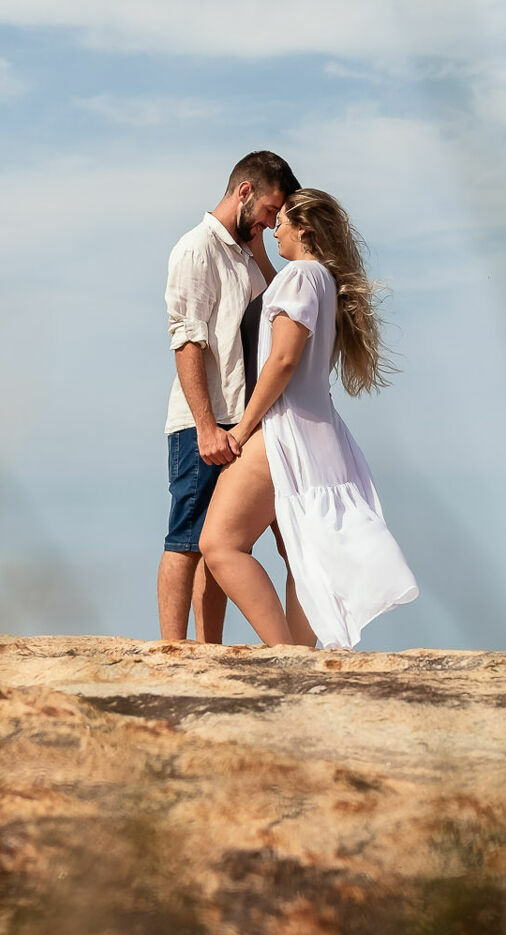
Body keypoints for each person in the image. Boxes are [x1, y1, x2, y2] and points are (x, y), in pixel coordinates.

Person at [200, 188, 418, 648]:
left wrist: (241, 429)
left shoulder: (299, 276)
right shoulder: (322, 279)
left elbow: (282, 361)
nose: (274, 229)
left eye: (280, 222)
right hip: (321, 430)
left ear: (304, 229)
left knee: (218, 544)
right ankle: (300, 654)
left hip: (285, 428)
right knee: (304, 553)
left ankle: (283, 653)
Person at [158, 150, 300, 643]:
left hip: (241, 422)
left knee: (223, 543)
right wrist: (204, 425)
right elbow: (187, 341)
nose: (270, 222)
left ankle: (207, 650)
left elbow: (284, 300)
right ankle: (172, 653)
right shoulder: (196, 249)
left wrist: (258, 243)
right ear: (244, 191)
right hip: (204, 420)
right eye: (268, 210)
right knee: (187, 540)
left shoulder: (243, 253)